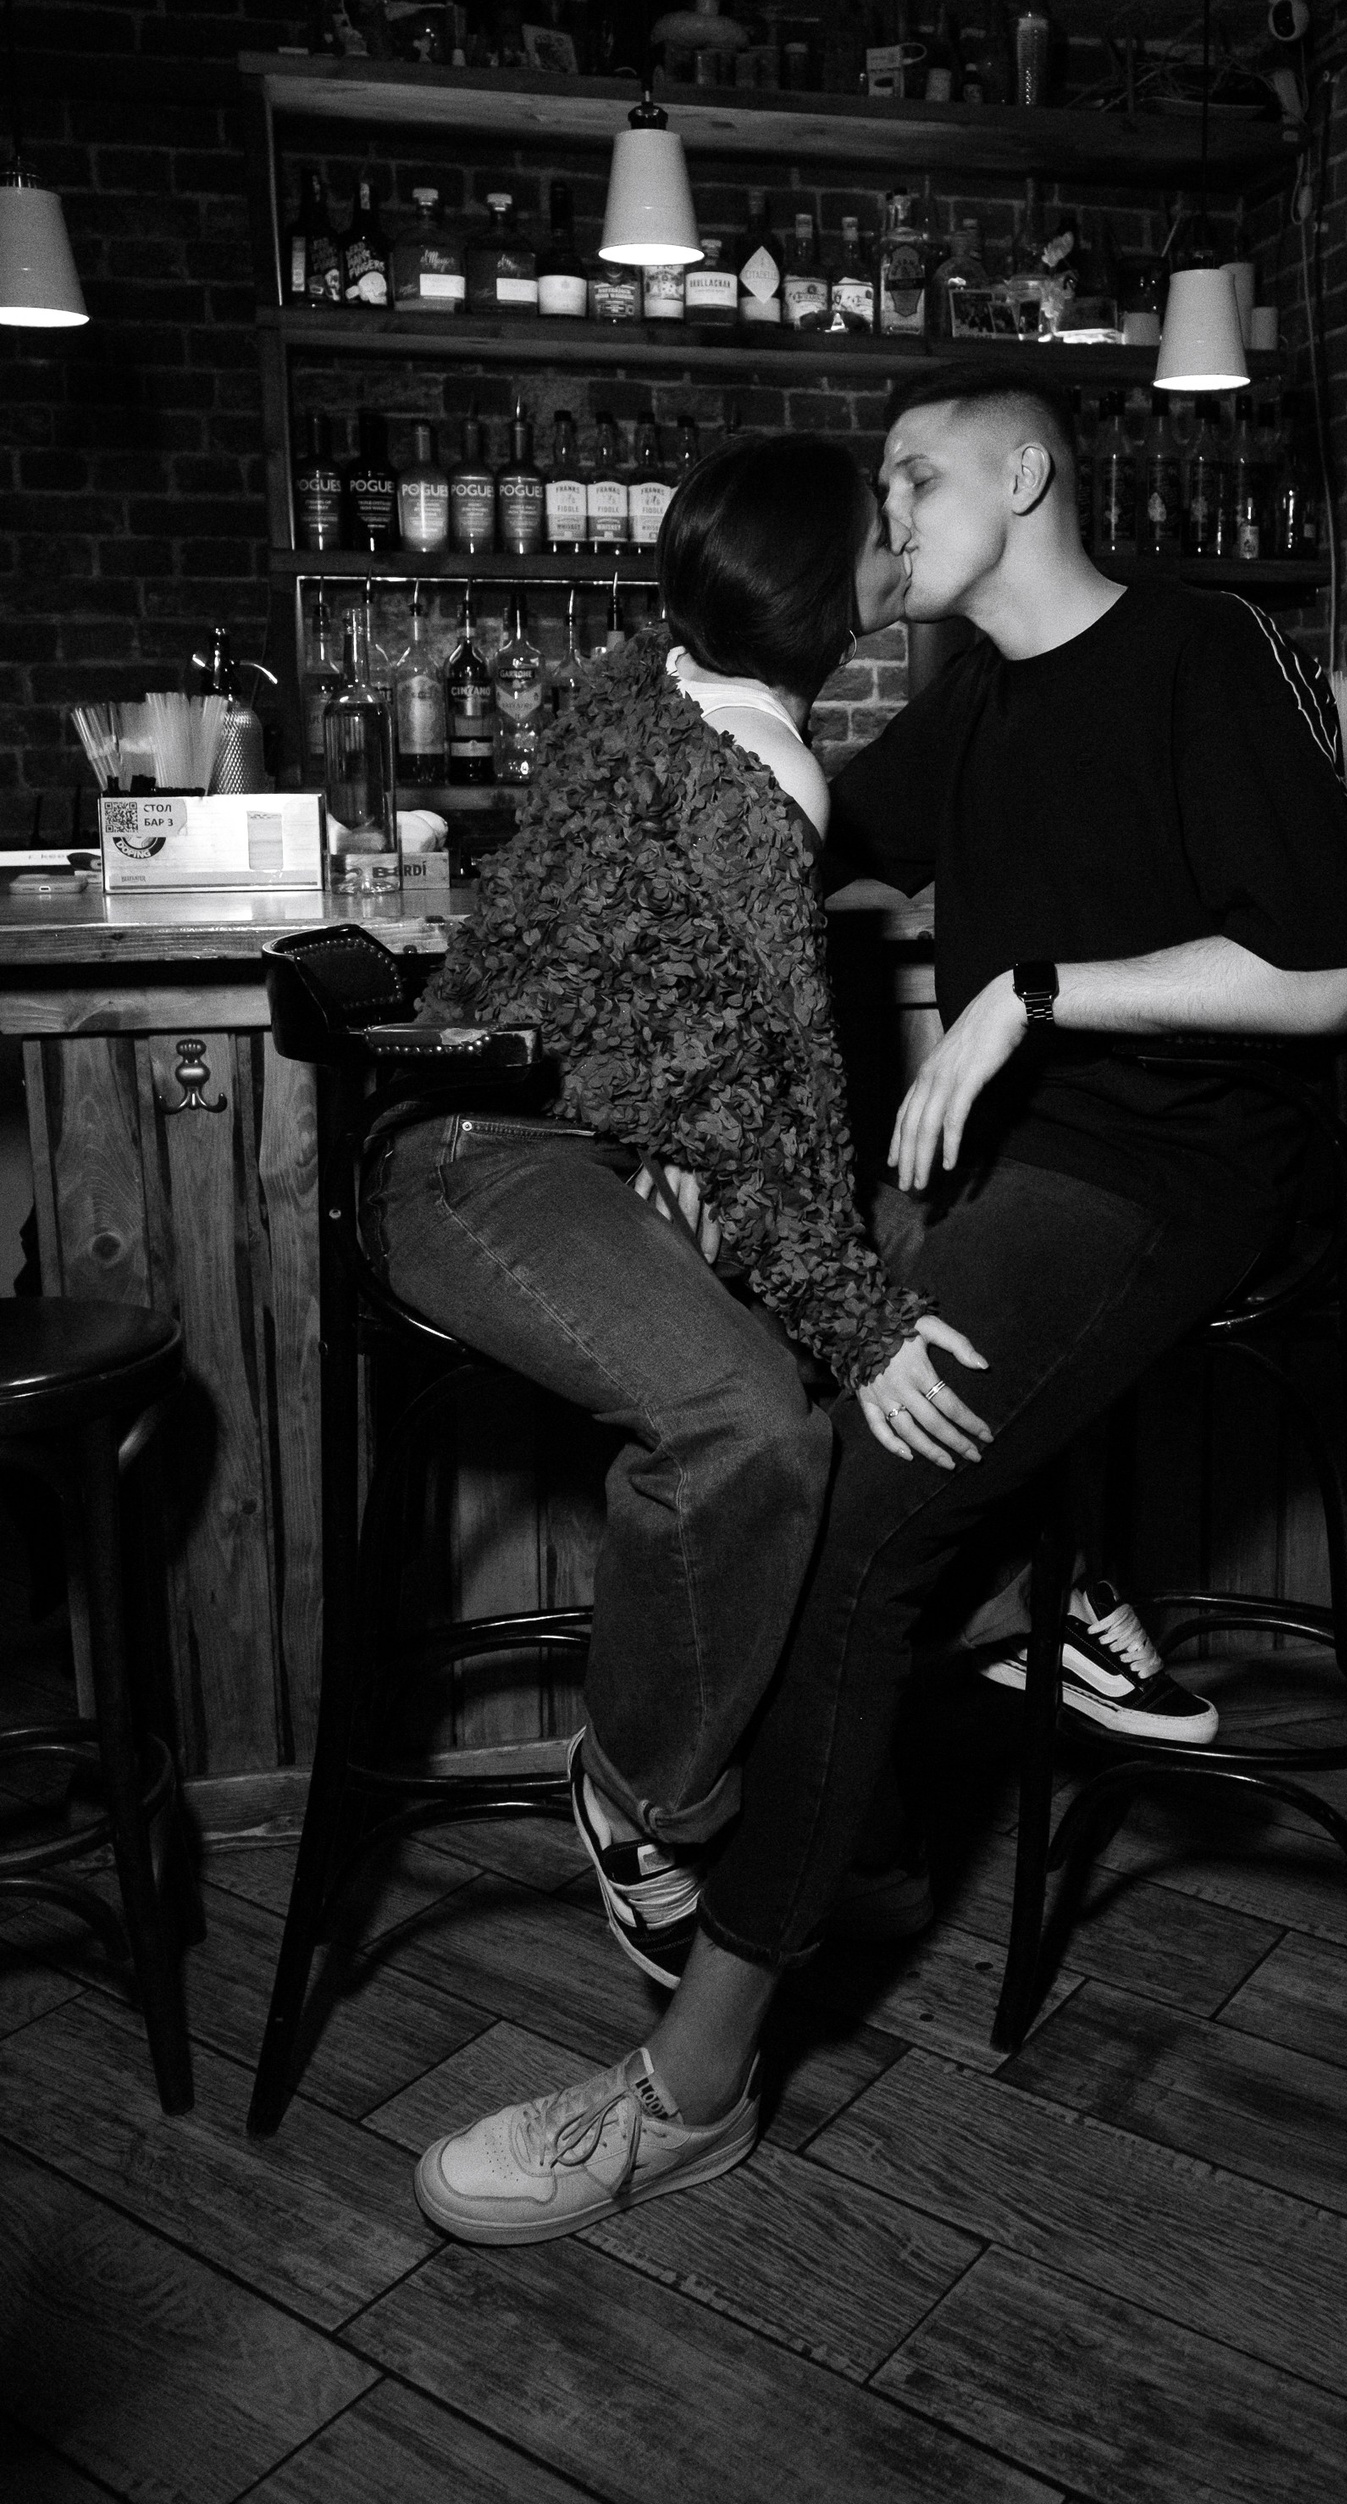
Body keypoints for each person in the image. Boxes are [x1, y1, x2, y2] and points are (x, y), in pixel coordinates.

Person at [414, 368, 1347, 2245]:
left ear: (1026, 474)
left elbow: (1320, 974)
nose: (891, 512)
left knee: (851, 1510)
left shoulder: (1198, 648)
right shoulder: (977, 698)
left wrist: (1033, 994)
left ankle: (691, 2090)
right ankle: (982, 1652)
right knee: (780, 1376)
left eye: (917, 476)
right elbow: (767, 822)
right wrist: (659, 1051)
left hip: (1168, 1170)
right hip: (1011, 1176)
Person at [372, 433, 991, 2024]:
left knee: (898, 1318)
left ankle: (827, 1785)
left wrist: (705, 1169)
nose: (900, 542)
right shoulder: (758, 771)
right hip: (475, 1157)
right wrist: (856, 1318)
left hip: (560, 1141)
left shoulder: (644, 683)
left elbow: (661, 991)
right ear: (824, 582)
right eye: (880, 526)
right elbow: (773, 1088)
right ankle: (645, 1795)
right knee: (752, 1415)